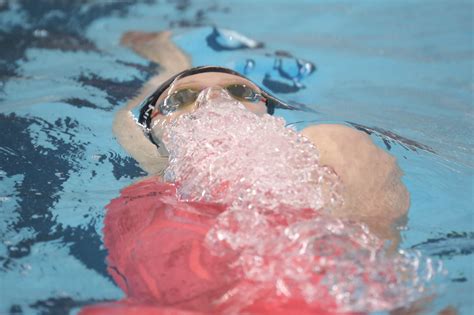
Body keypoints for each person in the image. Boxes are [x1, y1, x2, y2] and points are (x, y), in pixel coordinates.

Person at [80, 32, 412, 315]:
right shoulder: (157, 175)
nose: (215, 98)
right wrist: (165, 52)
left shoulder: (322, 152)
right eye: (182, 98)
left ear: (269, 115)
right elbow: (131, 116)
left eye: (241, 92)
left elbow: (367, 259)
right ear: (152, 128)